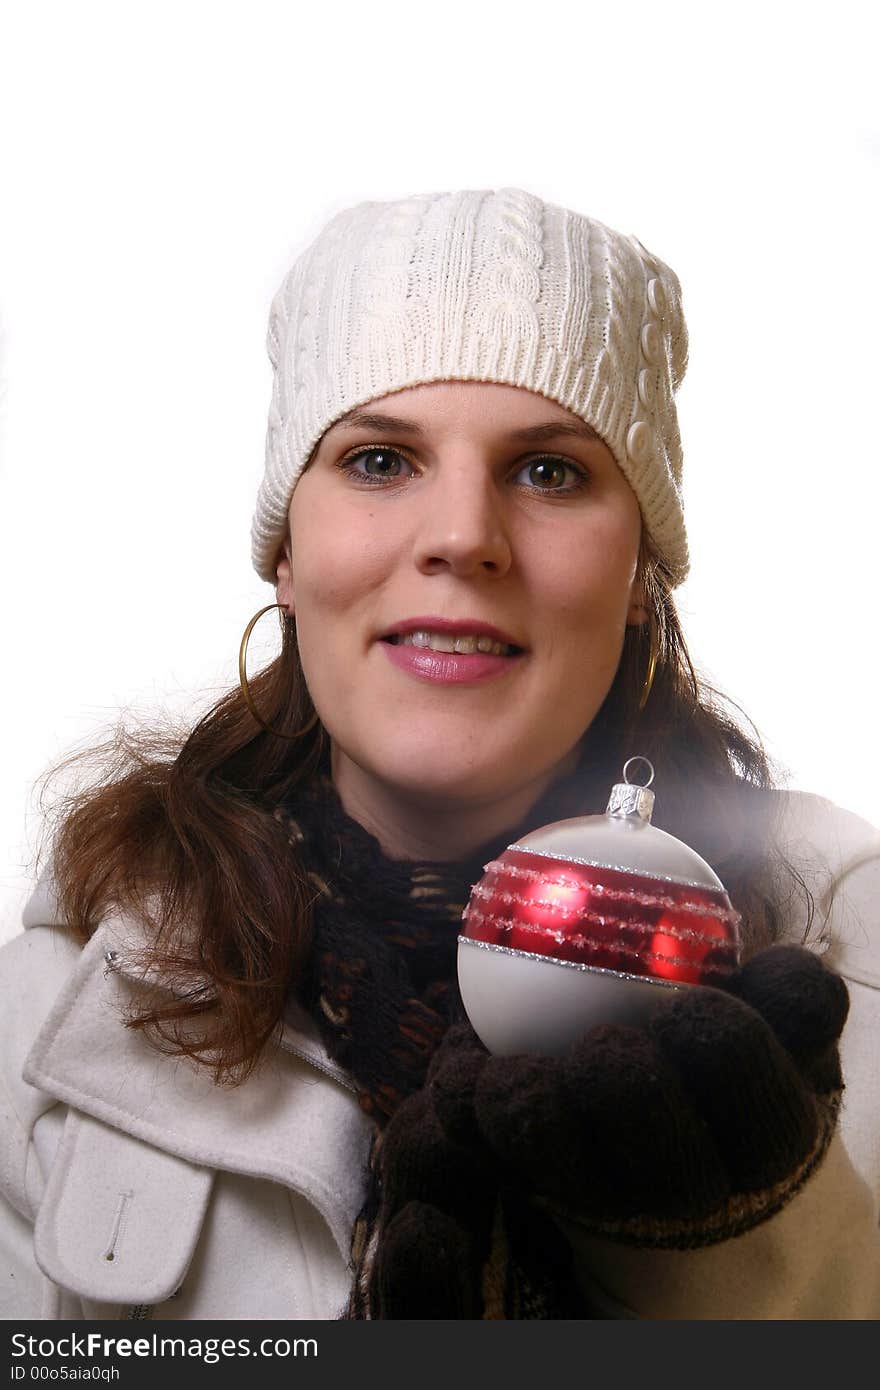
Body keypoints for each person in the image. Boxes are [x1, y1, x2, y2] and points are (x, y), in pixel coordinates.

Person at [2, 187, 879, 1322]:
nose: (463, 534)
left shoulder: (851, 949)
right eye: (378, 461)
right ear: (285, 550)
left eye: (549, 470)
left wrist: (750, 1255)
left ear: (637, 574)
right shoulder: (52, 1006)